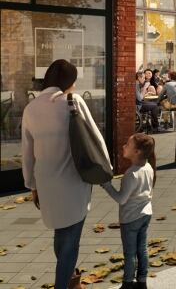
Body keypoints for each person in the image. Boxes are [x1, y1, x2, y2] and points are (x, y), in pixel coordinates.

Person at [22, 59, 112, 289]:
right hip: (74, 180)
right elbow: (95, 137)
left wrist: (32, 185)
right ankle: (65, 284)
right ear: (69, 81)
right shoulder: (73, 101)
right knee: (70, 240)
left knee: (61, 234)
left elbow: (27, 152)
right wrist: (106, 168)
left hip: (46, 182)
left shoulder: (30, 108)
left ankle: (73, 281)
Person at [101, 133, 155, 289]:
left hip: (130, 218)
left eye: (127, 144)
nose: (123, 146)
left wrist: (107, 185)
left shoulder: (131, 174)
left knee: (130, 253)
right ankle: (142, 280)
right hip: (146, 214)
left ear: (137, 151)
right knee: (142, 248)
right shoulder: (148, 167)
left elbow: (121, 199)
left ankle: (127, 283)